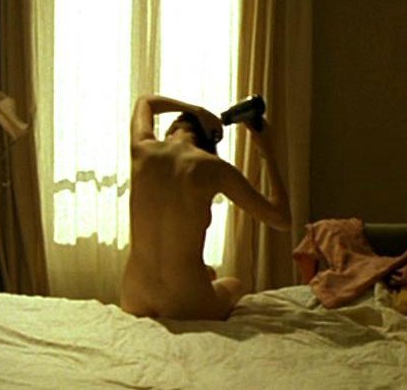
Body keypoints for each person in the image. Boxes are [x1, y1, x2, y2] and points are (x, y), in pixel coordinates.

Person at [120, 94, 291, 320]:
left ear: (172, 131)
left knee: (207, 272)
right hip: (188, 304)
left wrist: (197, 110)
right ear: (208, 144)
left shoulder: (142, 149)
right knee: (233, 284)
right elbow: (281, 220)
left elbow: (146, 101)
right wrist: (267, 151)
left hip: (134, 298)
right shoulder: (215, 168)